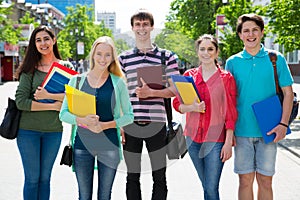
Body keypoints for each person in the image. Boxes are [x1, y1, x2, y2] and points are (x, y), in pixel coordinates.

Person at [225, 14, 294, 200]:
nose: (251, 34)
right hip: (242, 131)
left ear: (262, 32)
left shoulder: (276, 59)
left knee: (265, 181)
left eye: (255, 29)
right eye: (246, 30)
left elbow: (289, 94)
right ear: (240, 35)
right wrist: (228, 132)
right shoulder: (232, 62)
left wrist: (283, 124)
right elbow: (228, 99)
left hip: (269, 130)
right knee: (245, 181)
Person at [59, 36, 134, 200]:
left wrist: (106, 125)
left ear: (112, 57)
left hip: (110, 146)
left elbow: (129, 116)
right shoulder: (76, 81)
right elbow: (63, 113)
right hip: (82, 146)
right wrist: (82, 121)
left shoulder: (118, 83)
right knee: (84, 196)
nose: (103, 58)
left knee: (105, 196)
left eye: (108, 55)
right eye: (99, 54)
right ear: (93, 54)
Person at [118, 8, 179, 200]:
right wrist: (119, 124)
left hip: (157, 123)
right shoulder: (123, 58)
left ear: (152, 27)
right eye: (138, 24)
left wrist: (151, 92)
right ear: (132, 28)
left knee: (159, 176)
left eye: (145, 24)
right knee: (132, 176)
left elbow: (176, 90)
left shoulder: (167, 57)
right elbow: (118, 94)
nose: (142, 28)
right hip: (130, 123)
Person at [172, 34, 237, 200]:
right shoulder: (189, 75)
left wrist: (228, 142)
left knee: (211, 187)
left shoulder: (226, 78)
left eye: (210, 49)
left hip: (215, 140)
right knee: (206, 186)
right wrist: (192, 107)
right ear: (197, 51)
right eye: (202, 49)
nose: (206, 53)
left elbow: (230, 112)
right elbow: (177, 105)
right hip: (192, 139)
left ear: (216, 52)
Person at [14, 26, 73, 200]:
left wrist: (49, 96)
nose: (43, 43)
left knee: (45, 179)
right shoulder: (30, 68)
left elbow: (74, 98)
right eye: (38, 40)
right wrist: (54, 106)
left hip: (53, 132)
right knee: (32, 179)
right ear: (34, 44)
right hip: (27, 132)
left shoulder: (66, 67)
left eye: (46, 39)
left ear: (54, 40)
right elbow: (21, 102)